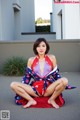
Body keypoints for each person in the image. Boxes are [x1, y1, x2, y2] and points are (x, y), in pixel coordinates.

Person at [10, 38, 68, 109]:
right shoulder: (31, 60)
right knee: (13, 85)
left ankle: (51, 99)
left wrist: (62, 85)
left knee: (65, 80)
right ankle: (31, 100)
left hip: (48, 89)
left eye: (43, 46)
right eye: (38, 46)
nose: (41, 48)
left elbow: (56, 74)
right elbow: (27, 77)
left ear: (46, 47)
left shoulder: (52, 58)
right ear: (35, 48)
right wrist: (23, 88)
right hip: (35, 89)